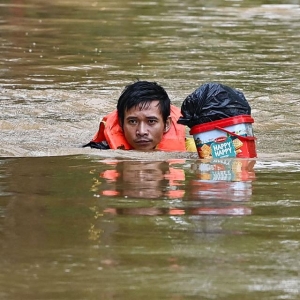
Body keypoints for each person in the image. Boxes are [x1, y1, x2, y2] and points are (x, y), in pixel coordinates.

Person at [83, 81, 195, 151]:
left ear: (166, 124)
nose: (141, 132)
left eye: (151, 121)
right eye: (132, 121)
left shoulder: (192, 150)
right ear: (121, 124)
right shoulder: (100, 150)